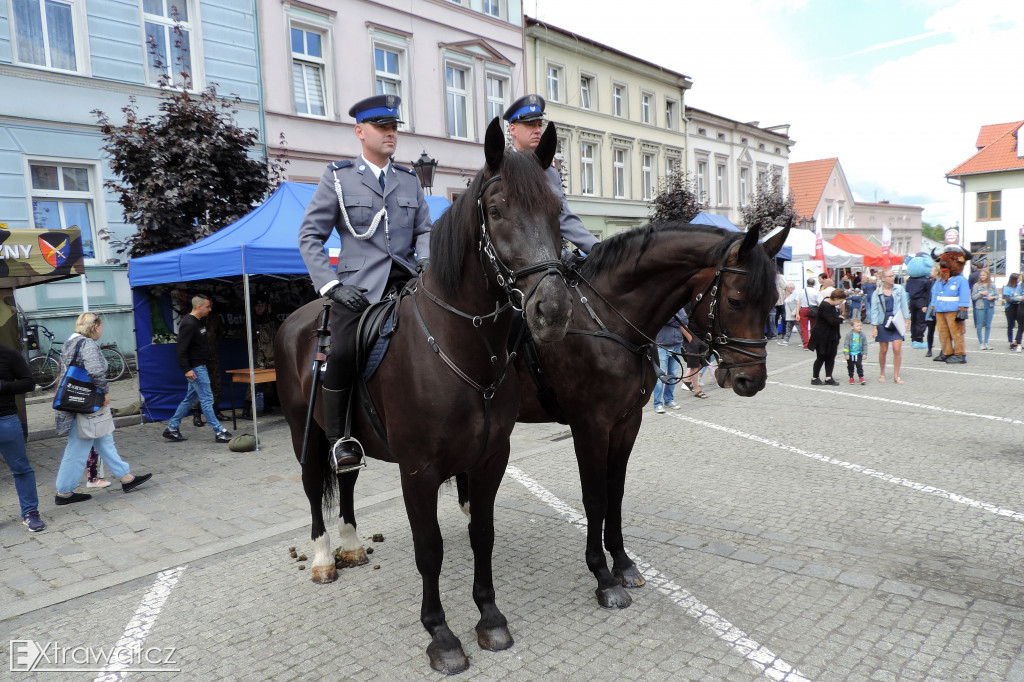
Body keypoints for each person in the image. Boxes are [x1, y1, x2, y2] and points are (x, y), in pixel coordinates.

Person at [298, 94, 431, 471]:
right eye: (382, 127)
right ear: (360, 131)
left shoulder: (408, 179)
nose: (391, 134)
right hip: (358, 288)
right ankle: (341, 440)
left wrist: (426, 260)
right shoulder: (338, 178)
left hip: (407, 280)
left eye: (394, 128)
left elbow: (425, 229)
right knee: (339, 353)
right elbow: (310, 236)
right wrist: (330, 286)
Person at [54, 313, 151, 505]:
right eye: (101, 326)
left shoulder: (70, 341)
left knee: (104, 439)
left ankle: (126, 478)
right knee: (78, 446)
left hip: (76, 401)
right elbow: (95, 371)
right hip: (87, 403)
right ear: (95, 326)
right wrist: (104, 391)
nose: (102, 329)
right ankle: (64, 492)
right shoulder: (88, 344)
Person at [503, 94, 599, 255]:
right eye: (530, 125)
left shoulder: (550, 173)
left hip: (549, 259)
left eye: (539, 125)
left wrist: (598, 249)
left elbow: (565, 219)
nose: (538, 130)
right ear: (513, 129)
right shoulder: (502, 168)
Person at [162, 295, 233, 443]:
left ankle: (172, 428)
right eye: (207, 307)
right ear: (199, 306)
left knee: (190, 399)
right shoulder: (189, 324)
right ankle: (219, 431)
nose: (210, 309)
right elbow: (181, 350)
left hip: (199, 366)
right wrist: (187, 369)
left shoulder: (198, 322)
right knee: (207, 399)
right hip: (196, 368)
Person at [1, 343, 45, 531]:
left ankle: (30, 513)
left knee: (21, 468)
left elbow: (28, 382)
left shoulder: (8, 353)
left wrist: (3, 386)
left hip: (6, 419)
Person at [868, 268, 910, 383]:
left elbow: (903, 305)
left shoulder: (899, 289)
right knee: (883, 350)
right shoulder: (877, 293)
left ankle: (897, 376)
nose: (892, 278)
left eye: (893, 276)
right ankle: (882, 373)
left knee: (897, 349)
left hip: (896, 321)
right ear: (883, 279)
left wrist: (907, 319)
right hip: (883, 321)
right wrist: (874, 326)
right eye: (890, 276)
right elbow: (874, 310)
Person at [931, 245, 971, 364]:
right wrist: (933, 306)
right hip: (940, 309)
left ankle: (960, 354)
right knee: (942, 332)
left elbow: (964, 295)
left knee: (957, 333)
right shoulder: (941, 279)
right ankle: (946, 352)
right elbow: (935, 293)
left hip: (954, 310)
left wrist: (963, 309)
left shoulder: (961, 280)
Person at [808, 288, 846, 385]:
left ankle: (828, 377)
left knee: (831, 356)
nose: (840, 303)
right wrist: (840, 319)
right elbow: (832, 321)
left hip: (832, 336)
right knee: (821, 356)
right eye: (840, 301)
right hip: (822, 336)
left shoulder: (831, 305)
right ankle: (815, 377)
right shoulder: (825, 305)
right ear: (836, 298)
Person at [652, 309, 686, 413]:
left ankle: (669, 399)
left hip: (677, 345)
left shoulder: (680, 307)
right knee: (661, 376)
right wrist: (677, 320)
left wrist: (673, 319)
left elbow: (685, 320)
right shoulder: (666, 304)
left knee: (673, 375)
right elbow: (664, 318)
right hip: (662, 346)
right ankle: (657, 403)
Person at [971, 269, 997, 350]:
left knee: (988, 325)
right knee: (979, 325)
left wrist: (992, 297)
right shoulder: (976, 285)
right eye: (981, 275)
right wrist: (980, 293)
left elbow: (997, 296)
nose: (982, 277)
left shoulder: (992, 285)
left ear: (987, 276)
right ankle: (981, 343)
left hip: (990, 306)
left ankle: (986, 342)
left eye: (984, 275)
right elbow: (973, 297)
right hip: (980, 306)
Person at [842, 319, 869, 385]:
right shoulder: (849, 335)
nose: (859, 327)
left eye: (860, 325)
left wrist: (865, 354)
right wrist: (846, 354)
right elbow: (846, 345)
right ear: (852, 327)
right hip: (851, 354)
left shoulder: (862, 335)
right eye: (857, 326)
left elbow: (865, 345)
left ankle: (861, 377)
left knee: (859, 365)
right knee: (850, 366)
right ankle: (851, 377)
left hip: (858, 353)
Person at [796, 278, 819, 350]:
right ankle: (813, 344)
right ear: (814, 284)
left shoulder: (801, 291)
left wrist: (797, 314)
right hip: (814, 309)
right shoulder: (816, 292)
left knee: (804, 328)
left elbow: (798, 303)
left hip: (803, 309)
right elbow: (820, 303)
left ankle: (806, 345)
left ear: (806, 283)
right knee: (814, 327)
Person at [1003, 273, 1021, 350]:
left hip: (1018, 307)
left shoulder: (1019, 287)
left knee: (1021, 324)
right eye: (1018, 279)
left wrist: (1016, 299)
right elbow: (1008, 299)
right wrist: (1018, 299)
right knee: (1011, 325)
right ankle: (1010, 342)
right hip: (1010, 308)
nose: (1020, 280)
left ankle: (1017, 341)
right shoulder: (1007, 288)